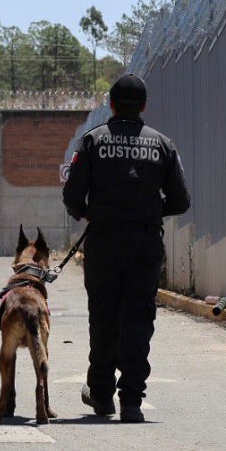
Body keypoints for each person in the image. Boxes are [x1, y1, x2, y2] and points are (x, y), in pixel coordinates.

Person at [62, 74, 190, 423]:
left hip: (104, 242)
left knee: (103, 315)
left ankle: (102, 395)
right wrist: (148, 211)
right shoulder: (162, 145)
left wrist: (90, 213)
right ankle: (131, 400)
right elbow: (181, 201)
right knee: (138, 316)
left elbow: (72, 196)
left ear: (111, 104)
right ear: (144, 105)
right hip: (145, 243)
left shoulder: (92, 141)